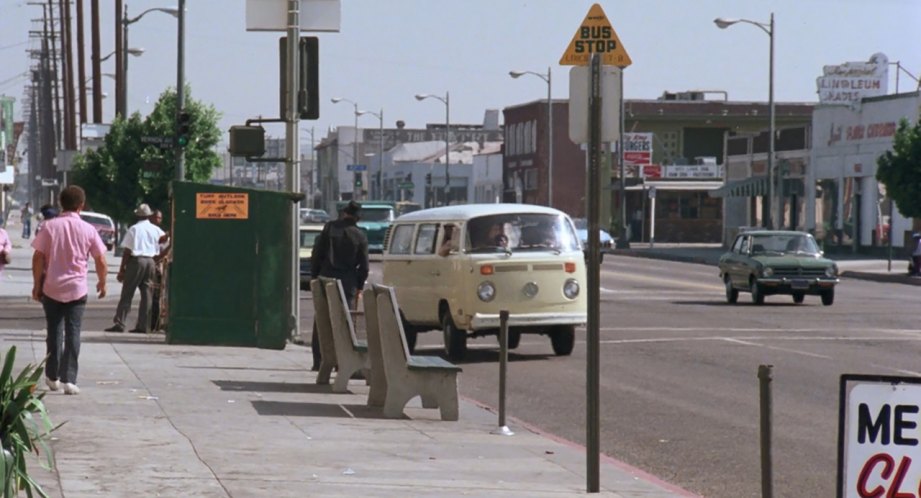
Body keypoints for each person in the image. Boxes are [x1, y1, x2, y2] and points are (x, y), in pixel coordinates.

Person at [31, 186, 107, 395]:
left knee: (54, 332)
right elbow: (100, 258)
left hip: (51, 287)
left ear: (60, 203)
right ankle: (69, 379)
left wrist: (37, 285)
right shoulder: (88, 229)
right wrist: (102, 282)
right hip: (77, 289)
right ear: (81, 205)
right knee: (73, 332)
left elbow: (38, 257)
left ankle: (52, 376)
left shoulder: (49, 227)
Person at [309, 200, 369, 370]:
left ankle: (320, 360)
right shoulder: (360, 235)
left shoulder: (329, 228)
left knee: (321, 320)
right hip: (348, 282)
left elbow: (318, 254)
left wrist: (315, 275)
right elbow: (364, 266)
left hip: (325, 278)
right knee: (346, 322)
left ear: (344, 213)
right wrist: (359, 286)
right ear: (358, 217)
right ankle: (343, 361)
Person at [105, 204, 167, 334]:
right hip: (150, 262)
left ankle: (120, 323)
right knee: (147, 295)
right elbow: (165, 241)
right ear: (149, 215)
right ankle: (144, 325)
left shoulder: (134, 229)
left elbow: (127, 251)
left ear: (137, 215)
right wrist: (159, 257)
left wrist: (122, 270)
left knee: (127, 293)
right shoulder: (155, 229)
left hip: (136, 261)